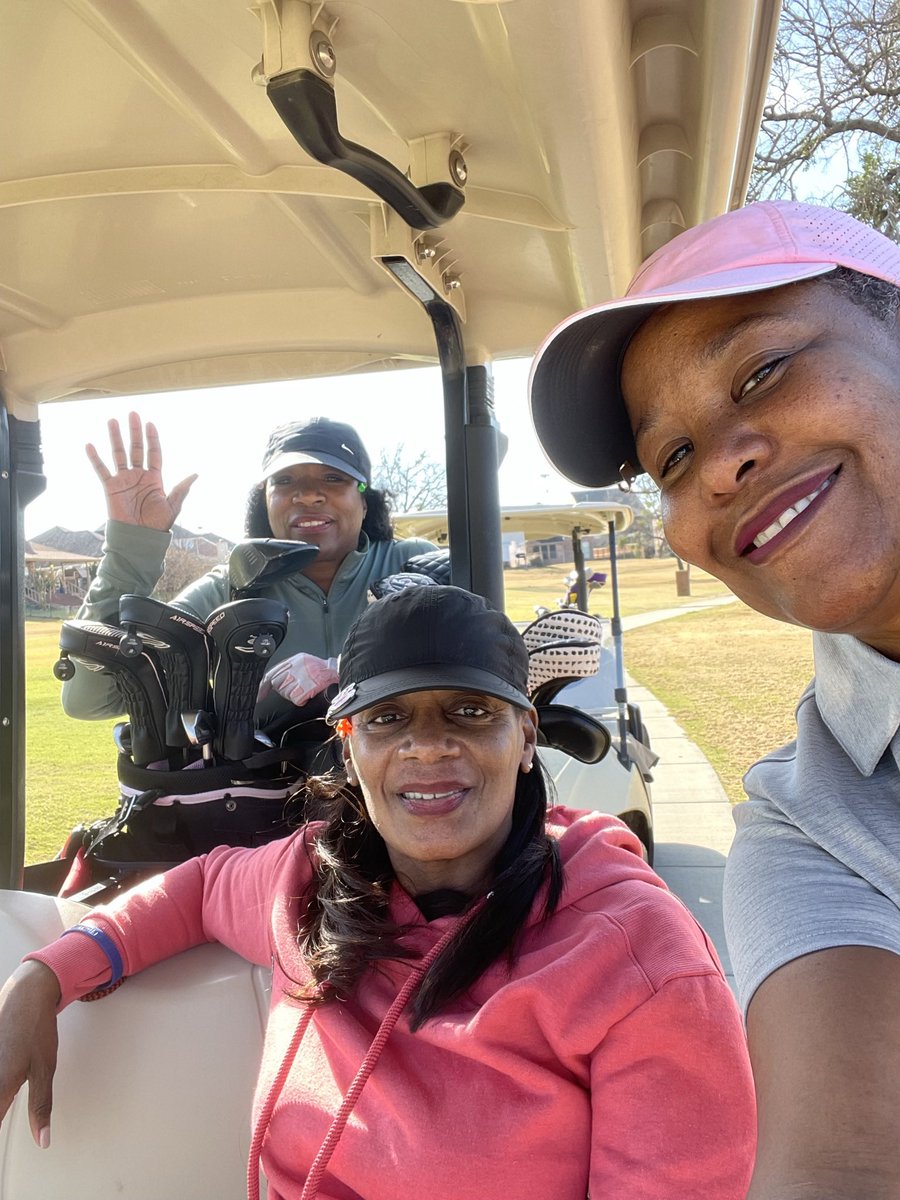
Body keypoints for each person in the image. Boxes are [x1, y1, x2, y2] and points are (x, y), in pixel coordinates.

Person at [0, 586, 756, 1199]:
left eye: (470, 712)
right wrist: (46, 975)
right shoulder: (309, 877)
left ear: (526, 736)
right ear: (349, 744)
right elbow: (197, 889)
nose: (427, 747)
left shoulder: (640, 956)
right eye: (388, 718)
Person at [529, 199, 900, 1198]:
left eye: (765, 369)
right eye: (675, 459)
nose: (725, 463)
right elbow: (838, 1167)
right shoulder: (811, 834)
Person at [62, 412, 436, 734]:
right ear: (265, 501)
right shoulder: (230, 589)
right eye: (285, 481)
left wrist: (339, 670)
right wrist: (131, 548)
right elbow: (90, 700)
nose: (308, 495)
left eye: (333, 478)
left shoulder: (417, 567)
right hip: (266, 792)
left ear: (365, 501)